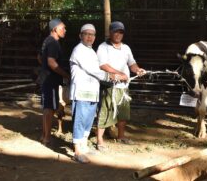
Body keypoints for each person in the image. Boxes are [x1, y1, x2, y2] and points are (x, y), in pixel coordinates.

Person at [69, 24, 120, 163]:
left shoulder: (91, 51)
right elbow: (93, 70)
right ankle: (77, 151)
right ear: (81, 35)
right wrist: (111, 76)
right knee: (80, 120)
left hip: (92, 92)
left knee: (88, 119)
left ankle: (84, 146)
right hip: (81, 91)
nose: (90, 37)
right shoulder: (78, 50)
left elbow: (96, 71)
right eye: (86, 34)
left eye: (92, 34)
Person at [96, 21, 146, 150]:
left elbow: (132, 63)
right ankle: (100, 140)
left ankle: (121, 136)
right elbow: (102, 65)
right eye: (116, 31)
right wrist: (121, 74)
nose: (118, 34)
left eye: (121, 32)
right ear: (110, 32)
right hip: (109, 86)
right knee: (105, 112)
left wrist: (137, 70)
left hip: (123, 87)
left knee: (123, 113)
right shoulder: (103, 47)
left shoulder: (126, 48)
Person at [39, 18, 70, 146]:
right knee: (49, 108)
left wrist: (44, 68)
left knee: (48, 107)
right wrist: (65, 75)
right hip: (50, 79)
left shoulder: (46, 41)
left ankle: (43, 135)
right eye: (62, 28)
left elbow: (40, 57)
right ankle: (47, 137)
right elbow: (51, 62)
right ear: (54, 29)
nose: (65, 30)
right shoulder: (53, 43)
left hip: (47, 78)